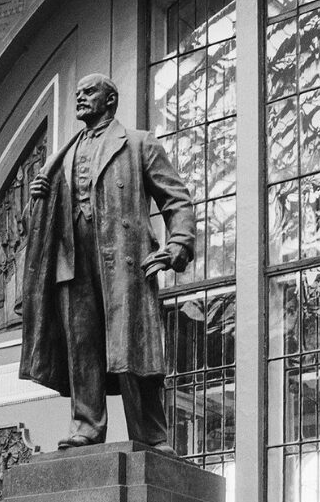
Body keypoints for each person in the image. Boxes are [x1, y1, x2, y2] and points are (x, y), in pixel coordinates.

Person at [17, 73, 196, 451]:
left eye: (89, 92)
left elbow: (176, 200)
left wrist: (177, 243)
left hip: (123, 265)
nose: (80, 97)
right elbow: (44, 222)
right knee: (82, 347)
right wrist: (40, 198)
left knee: (130, 349)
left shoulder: (138, 144)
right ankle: (86, 425)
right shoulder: (61, 157)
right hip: (73, 262)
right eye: (77, 93)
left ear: (110, 100)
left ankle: (150, 434)